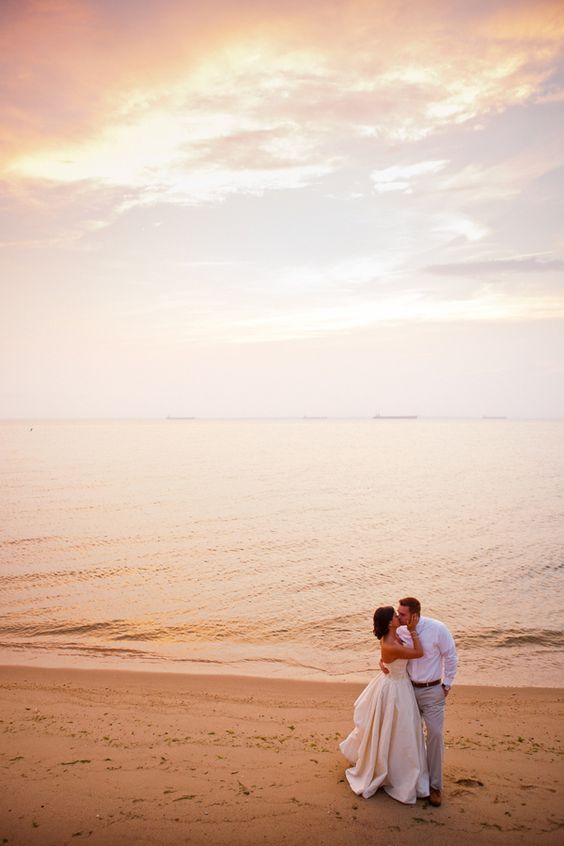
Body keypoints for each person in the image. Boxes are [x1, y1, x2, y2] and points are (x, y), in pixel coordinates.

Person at [339, 606, 430, 804]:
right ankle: (394, 772)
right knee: (399, 728)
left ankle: (395, 765)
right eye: (395, 616)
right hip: (396, 689)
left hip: (394, 683)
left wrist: (382, 661)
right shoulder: (391, 644)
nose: (399, 617)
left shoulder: (393, 635)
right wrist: (414, 631)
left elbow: (386, 657)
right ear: (389, 622)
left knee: (396, 729)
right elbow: (418, 652)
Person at [391, 597, 458, 807]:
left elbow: (451, 656)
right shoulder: (400, 630)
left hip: (432, 691)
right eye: (398, 612)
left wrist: (446, 685)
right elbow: (389, 647)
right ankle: (410, 779)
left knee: (435, 735)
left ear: (415, 615)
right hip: (408, 689)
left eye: (402, 614)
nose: (398, 616)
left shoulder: (438, 629)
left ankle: (436, 787)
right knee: (409, 736)